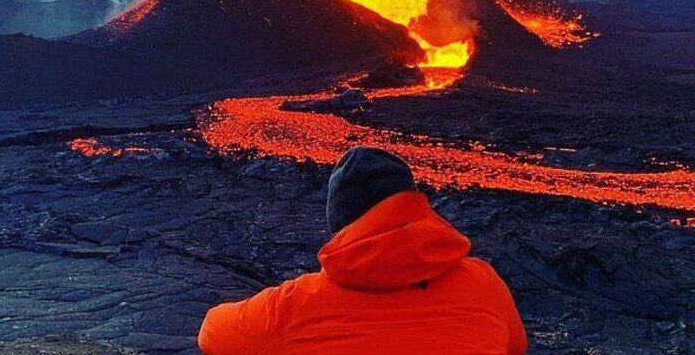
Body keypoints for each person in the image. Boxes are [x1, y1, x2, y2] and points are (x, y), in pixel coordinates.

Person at [198, 146, 527, 354]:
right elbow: (515, 346)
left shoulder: (293, 306)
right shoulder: (483, 281)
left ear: (339, 222)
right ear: (415, 204)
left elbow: (212, 333)